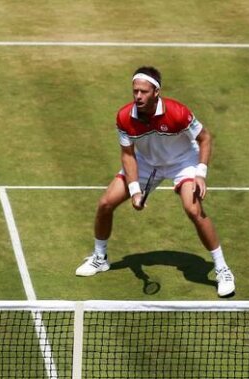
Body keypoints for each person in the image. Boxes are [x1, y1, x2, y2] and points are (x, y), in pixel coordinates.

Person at [75, 66, 235, 297]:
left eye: (143, 92)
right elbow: (128, 155)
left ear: (156, 92)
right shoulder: (124, 117)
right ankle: (100, 258)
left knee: (192, 208)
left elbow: (204, 137)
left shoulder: (178, 112)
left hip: (182, 162)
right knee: (105, 203)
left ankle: (222, 269)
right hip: (146, 163)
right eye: (135, 91)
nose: (138, 96)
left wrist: (200, 173)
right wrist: (135, 191)